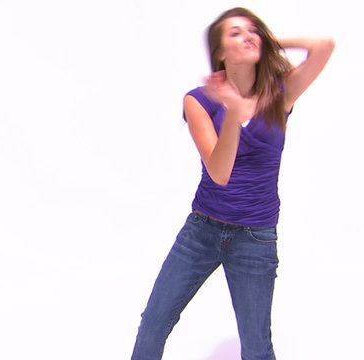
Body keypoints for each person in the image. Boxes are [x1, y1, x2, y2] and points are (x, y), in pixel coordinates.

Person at [131, 7, 334, 360]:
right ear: (220, 52)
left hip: (256, 237)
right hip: (201, 232)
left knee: (256, 347)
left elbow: (324, 45)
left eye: (253, 31)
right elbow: (219, 172)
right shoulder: (199, 100)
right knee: (154, 324)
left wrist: (267, 41)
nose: (248, 36)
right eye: (236, 33)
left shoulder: (279, 95)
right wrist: (233, 111)